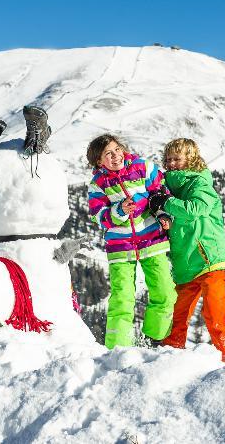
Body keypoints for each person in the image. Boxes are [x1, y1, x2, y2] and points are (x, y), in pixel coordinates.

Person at [150, 138, 225, 362]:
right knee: (179, 308)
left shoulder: (200, 183)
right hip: (185, 259)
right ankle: (172, 347)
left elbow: (195, 209)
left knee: (214, 307)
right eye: (168, 159)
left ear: (190, 159)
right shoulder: (168, 188)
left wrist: (165, 203)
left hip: (208, 255)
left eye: (177, 159)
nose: (171, 163)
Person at [86, 134, 177, 349]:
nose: (115, 156)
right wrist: (119, 211)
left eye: (117, 149)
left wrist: (163, 215)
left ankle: (156, 338)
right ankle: (118, 348)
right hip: (120, 247)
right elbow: (98, 215)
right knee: (122, 297)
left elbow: (161, 192)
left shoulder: (144, 167)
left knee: (165, 290)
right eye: (108, 154)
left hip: (152, 239)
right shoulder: (98, 184)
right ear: (99, 161)